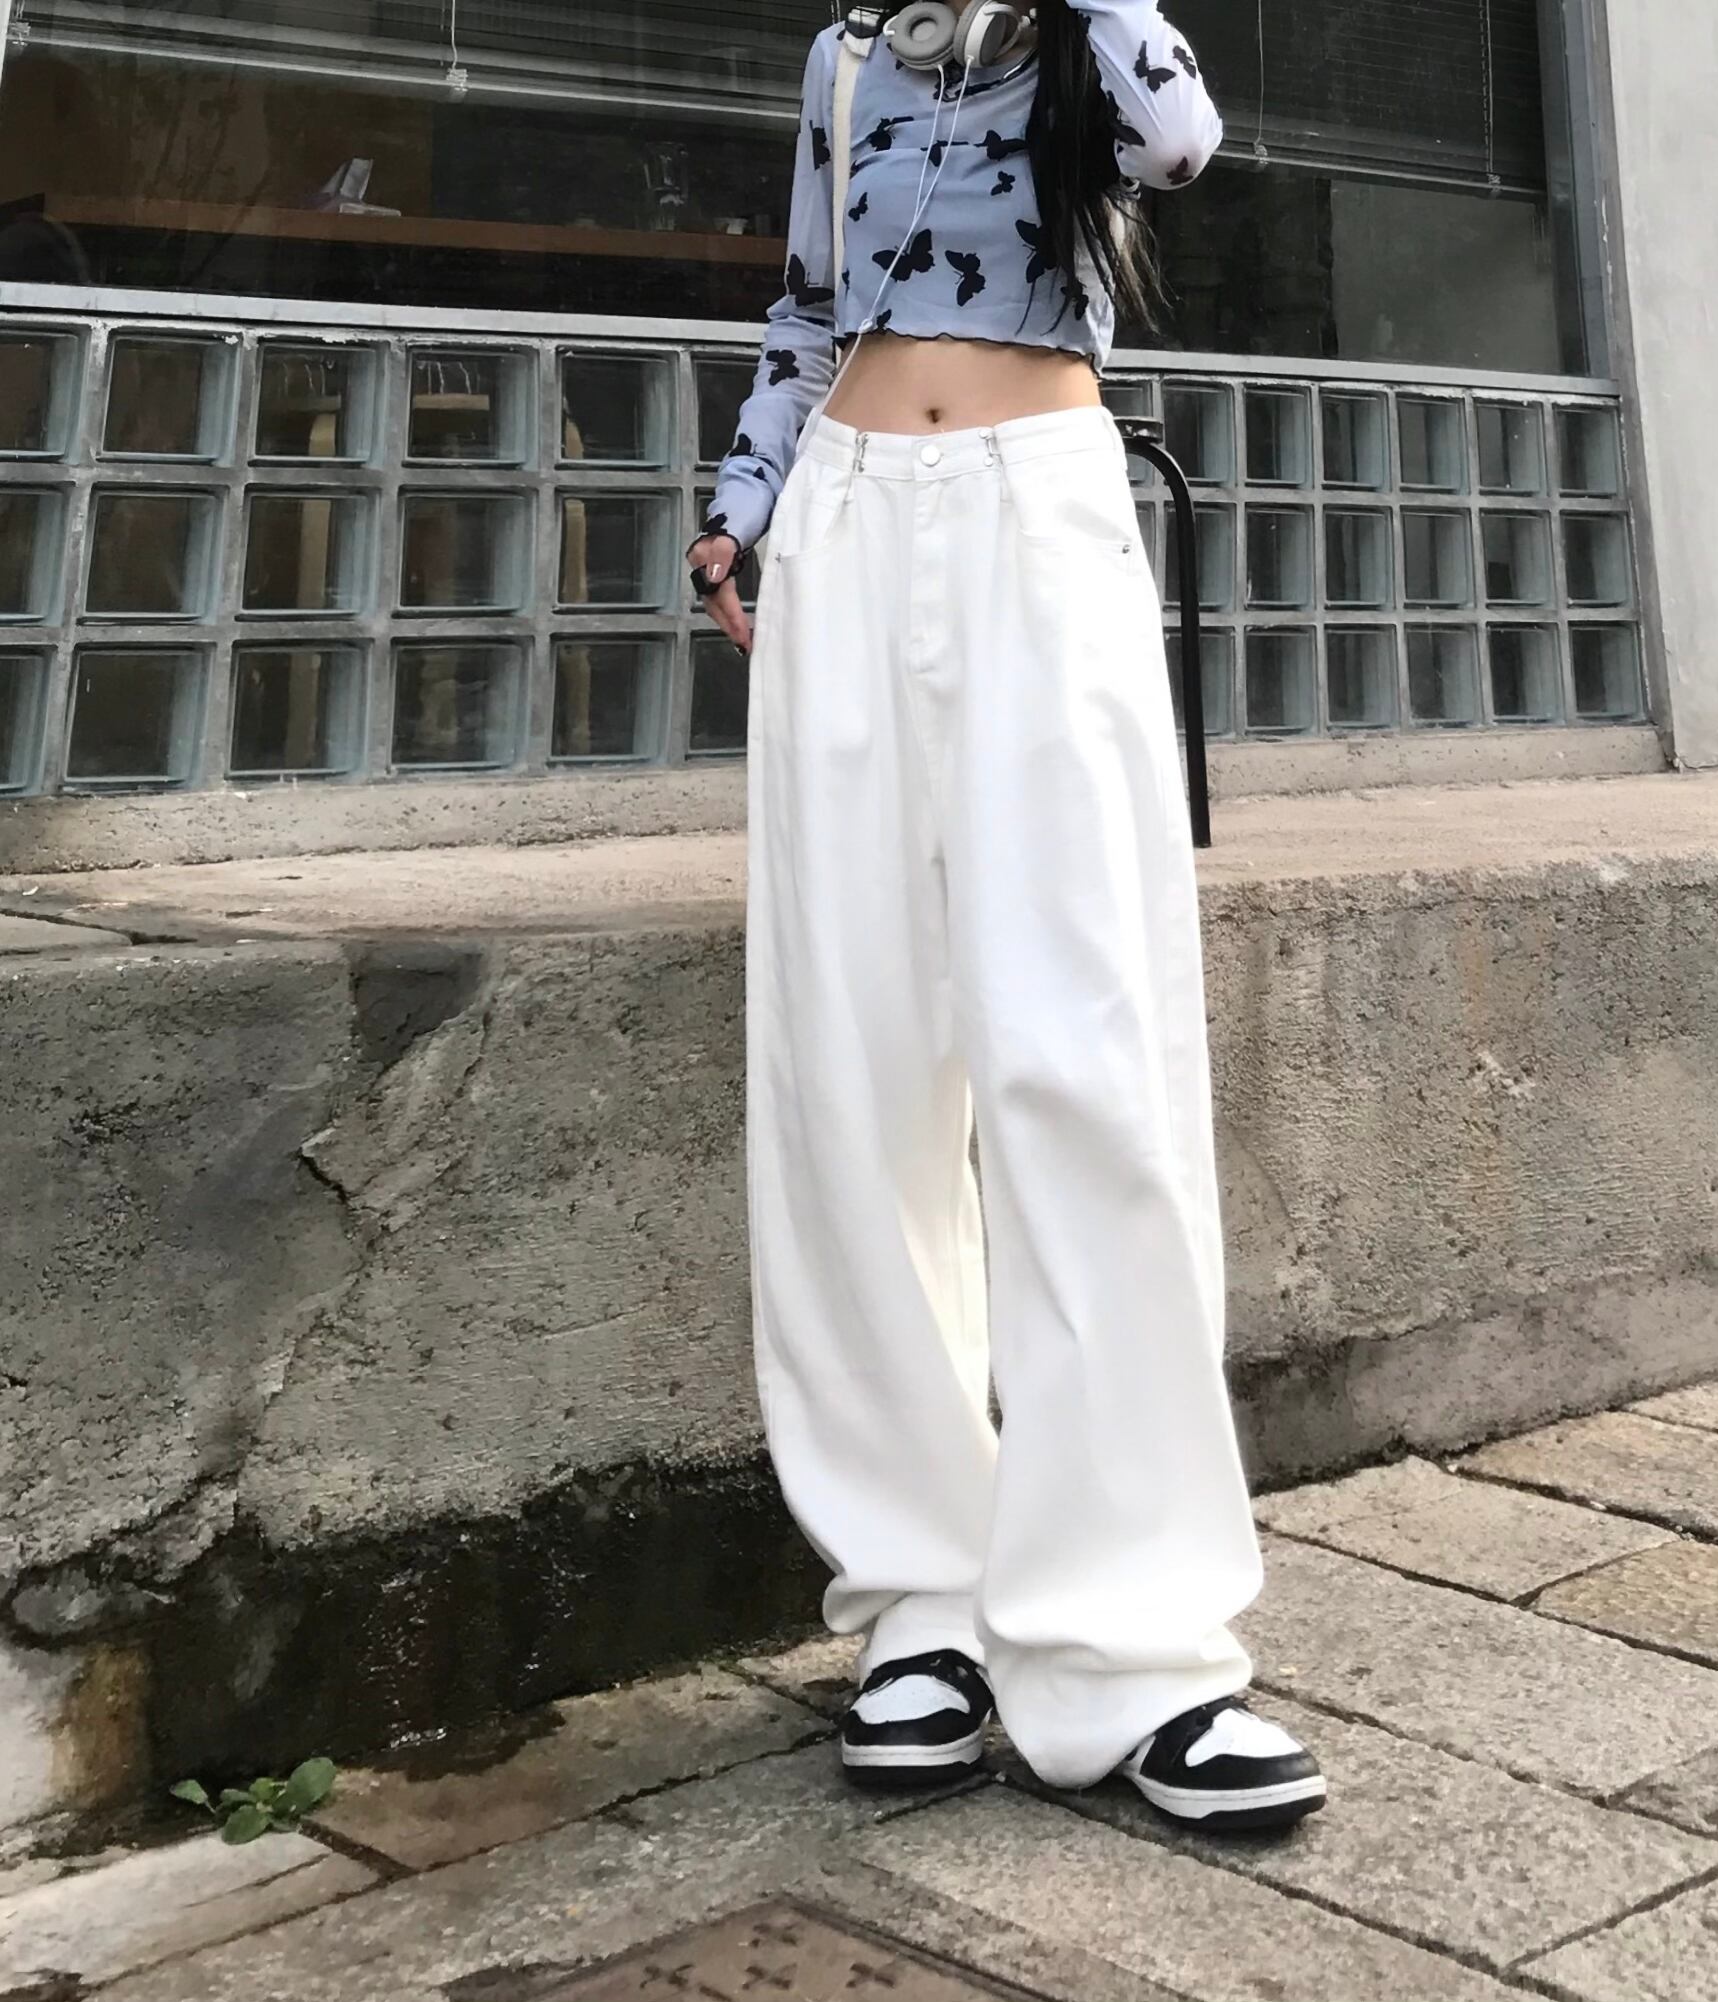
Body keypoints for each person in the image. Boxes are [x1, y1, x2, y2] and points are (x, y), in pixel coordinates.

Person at [688, 0, 1326, 1833]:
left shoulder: (1085, 50)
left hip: (1040, 516)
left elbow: (1181, 141)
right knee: (852, 1069)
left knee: (1085, 1058)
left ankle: (1132, 1652)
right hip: (844, 525)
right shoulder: (839, 61)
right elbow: (809, 309)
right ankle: (921, 1603)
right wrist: (745, 499)